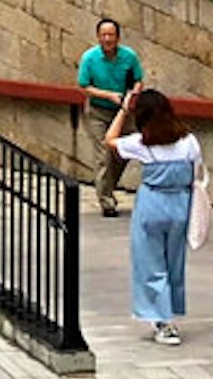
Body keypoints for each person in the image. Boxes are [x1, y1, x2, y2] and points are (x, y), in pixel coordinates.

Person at [111, 86, 204, 344]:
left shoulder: (142, 143)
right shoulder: (189, 142)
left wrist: (123, 110)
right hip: (180, 205)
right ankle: (170, 311)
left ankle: (162, 319)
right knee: (174, 262)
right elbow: (196, 172)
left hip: (152, 203)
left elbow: (110, 140)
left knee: (151, 263)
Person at [78, 18, 143, 217]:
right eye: (103, 35)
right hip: (99, 110)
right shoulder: (90, 58)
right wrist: (108, 95)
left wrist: (132, 95)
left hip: (123, 111)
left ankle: (106, 186)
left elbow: (138, 80)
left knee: (124, 151)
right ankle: (106, 201)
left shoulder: (129, 56)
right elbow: (84, 86)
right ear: (98, 37)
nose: (107, 39)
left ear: (118, 37)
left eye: (111, 35)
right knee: (104, 155)